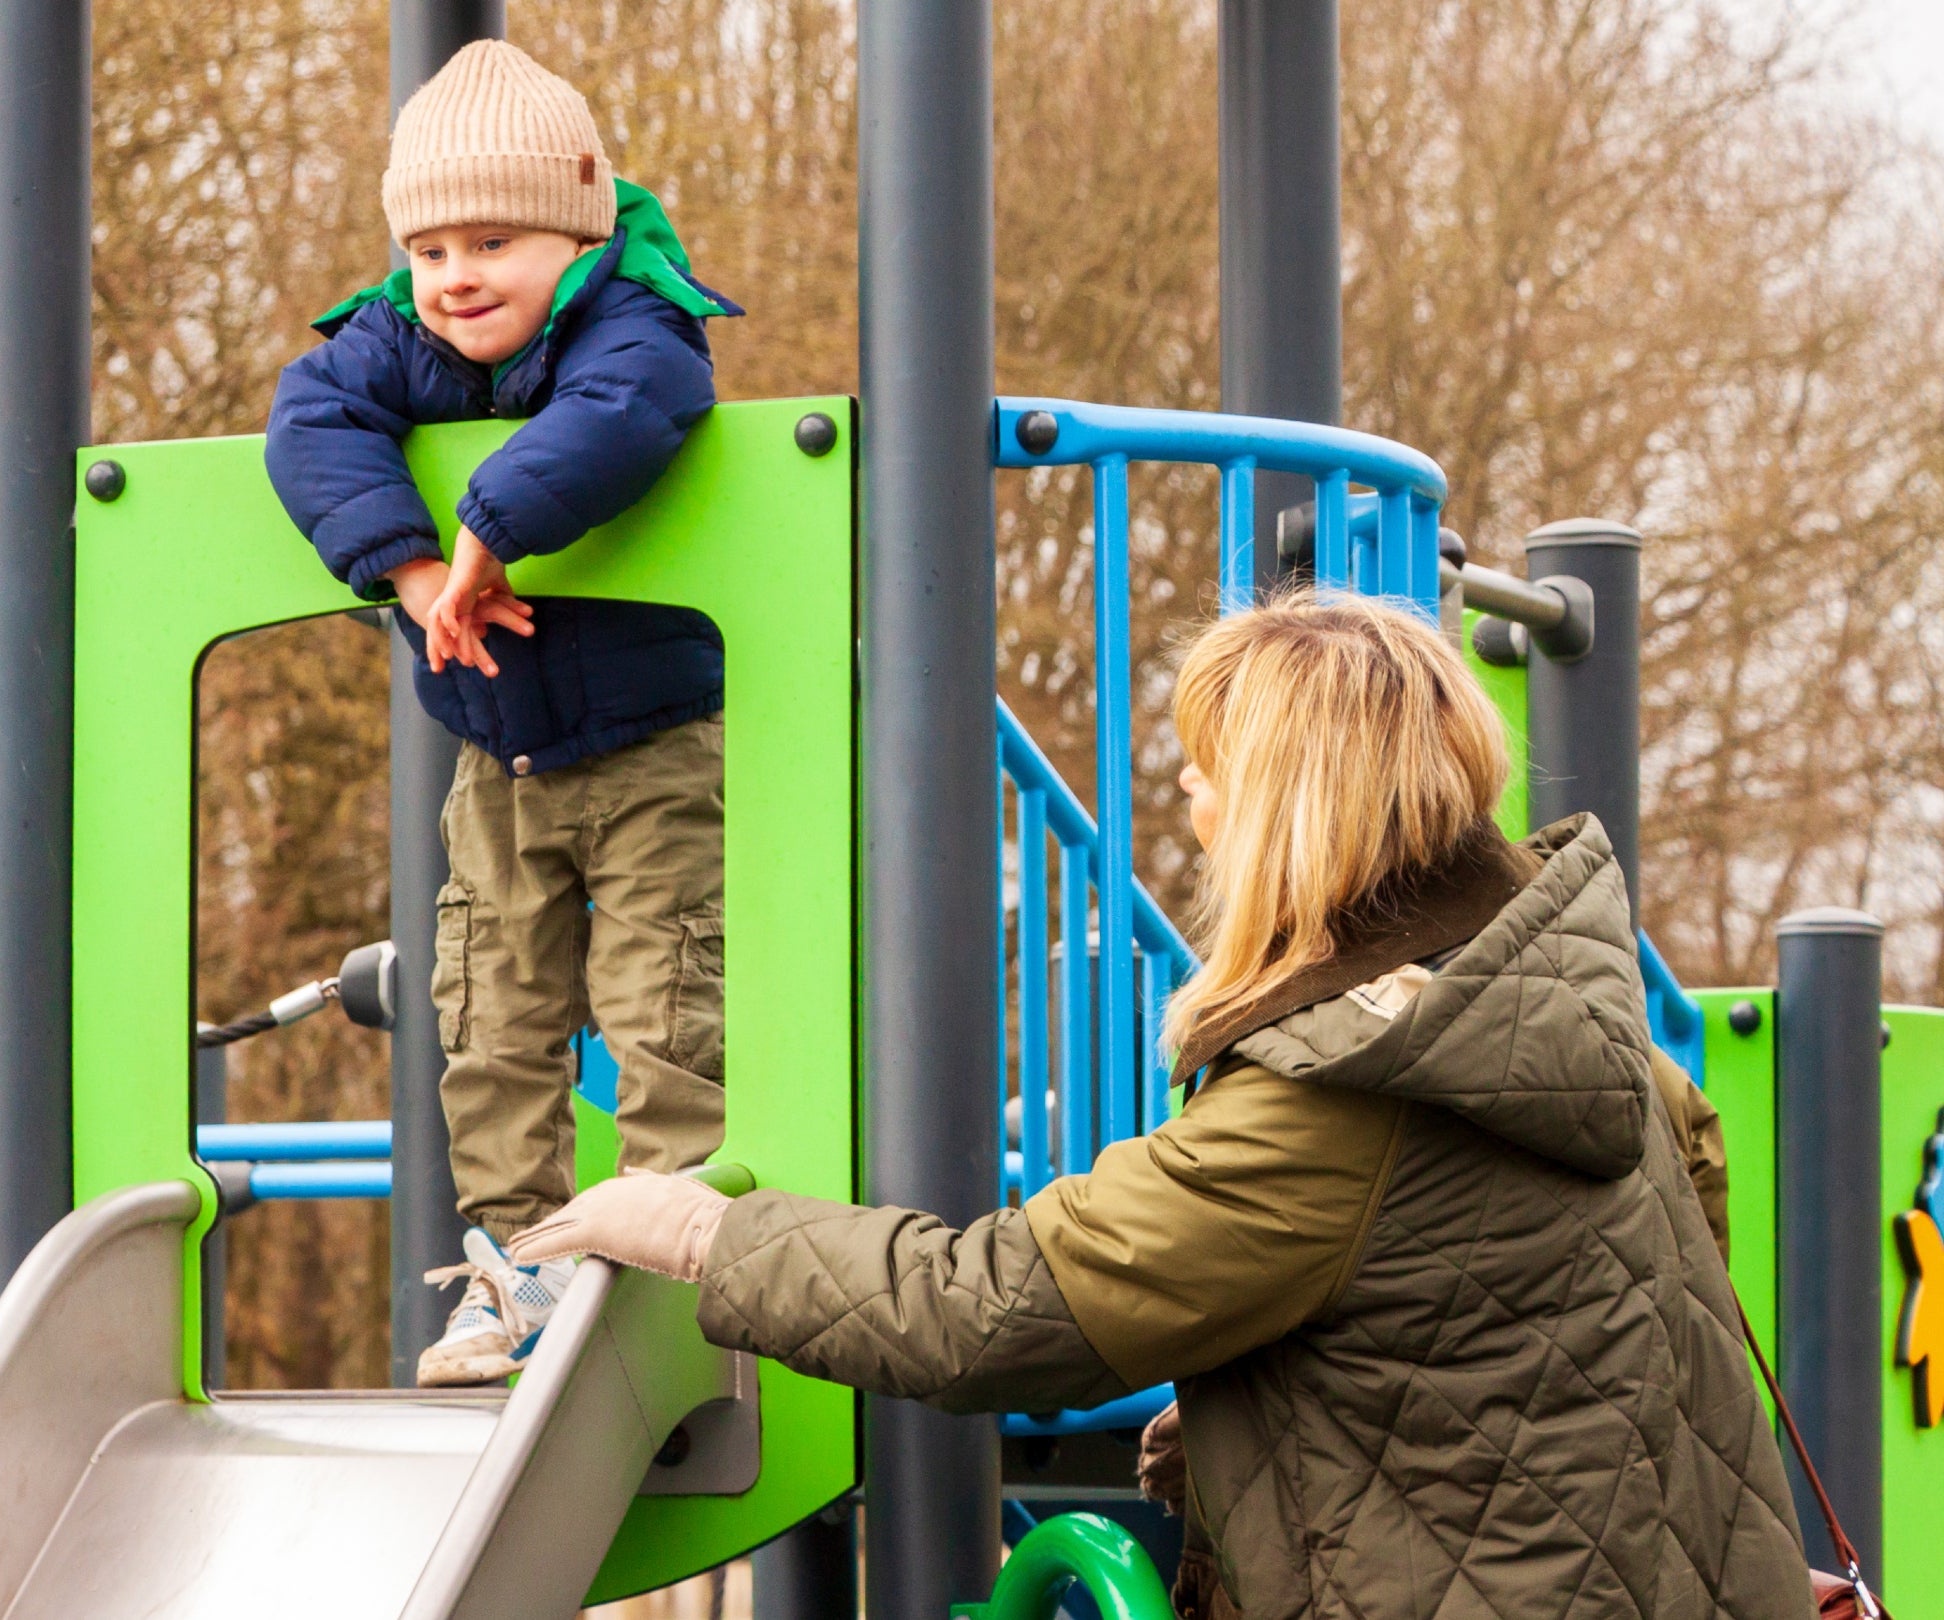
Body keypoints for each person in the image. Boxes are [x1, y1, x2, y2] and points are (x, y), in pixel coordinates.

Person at [514, 593, 1817, 1620]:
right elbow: (1664, 1193)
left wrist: (698, 1235)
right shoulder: (1549, 1011)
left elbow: (997, 1309)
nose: (1187, 794)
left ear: (1292, 804)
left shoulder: (1341, 1100)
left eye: (1209, 767)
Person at [265, 40, 743, 1387]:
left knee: (665, 999)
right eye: (430, 248)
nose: (457, 274)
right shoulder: (400, 334)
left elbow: (634, 406)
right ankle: (515, 1266)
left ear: (578, 230)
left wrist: (490, 525)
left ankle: (676, 1258)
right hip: (495, 749)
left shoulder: (634, 308)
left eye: (494, 239)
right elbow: (308, 419)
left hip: (660, 742)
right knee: (489, 1012)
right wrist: (410, 567)